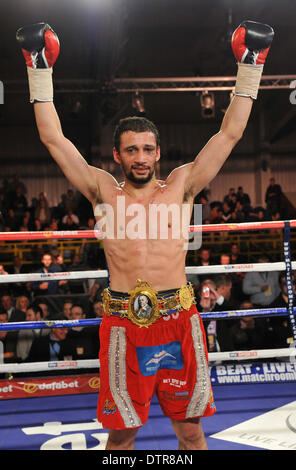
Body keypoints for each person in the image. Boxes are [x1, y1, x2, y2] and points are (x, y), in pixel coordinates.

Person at [16, 19, 273, 450]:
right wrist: (38, 68)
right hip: (122, 324)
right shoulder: (101, 189)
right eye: (131, 149)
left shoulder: (182, 185)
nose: (140, 157)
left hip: (178, 320)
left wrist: (252, 64)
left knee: (190, 432)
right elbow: (53, 138)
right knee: (121, 436)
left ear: (158, 151)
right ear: (117, 154)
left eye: (148, 149)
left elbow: (230, 133)